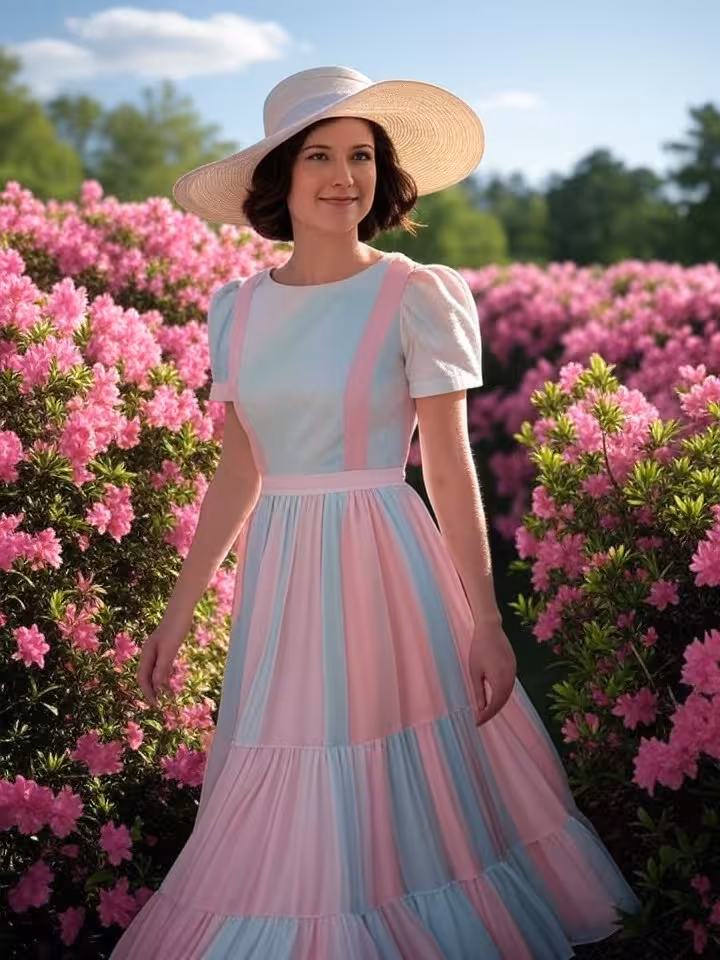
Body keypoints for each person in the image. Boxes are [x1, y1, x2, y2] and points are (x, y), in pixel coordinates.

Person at [111, 66, 639, 959]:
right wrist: (179, 609)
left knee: (386, 774)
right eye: (318, 154)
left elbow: (447, 461)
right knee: (284, 758)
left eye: (361, 154)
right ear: (278, 177)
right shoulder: (235, 309)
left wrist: (486, 619)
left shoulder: (415, 293)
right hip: (281, 574)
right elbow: (241, 467)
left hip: (385, 565)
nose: (342, 175)